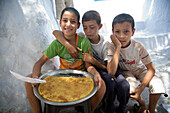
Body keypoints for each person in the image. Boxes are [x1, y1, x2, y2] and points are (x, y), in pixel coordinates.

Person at [24, 7, 106, 113]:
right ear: (60, 23)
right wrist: (35, 75)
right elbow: (39, 62)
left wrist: (95, 73)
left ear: (78, 26)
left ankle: (88, 110)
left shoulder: (83, 42)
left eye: (72, 22)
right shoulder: (56, 44)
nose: (68, 24)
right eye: (65, 20)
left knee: (102, 85)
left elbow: (88, 66)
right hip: (61, 77)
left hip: (80, 78)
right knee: (28, 79)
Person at [54, 10, 130, 113]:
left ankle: (122, 107)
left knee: (123, 84)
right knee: (110, 80)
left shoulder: (104, 44)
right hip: (95, 69)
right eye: (85, 27)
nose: (88, 31)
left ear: (100, 26)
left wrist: (92, 60)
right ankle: (107, 106)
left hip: (107, 67)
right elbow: (56, 32)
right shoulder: (82, 37)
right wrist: (68, 46)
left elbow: (109, 70)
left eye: (92, 27)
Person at [107, 13, 165, 113]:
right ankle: (141, 104)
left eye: (126, 31)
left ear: (133, 32)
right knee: (128, 88)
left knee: (157, 85)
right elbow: (111, 72)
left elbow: (151, 69)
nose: (121, 36)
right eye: (117, 31)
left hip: (140, 70)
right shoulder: (112, 47)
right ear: (112, 32)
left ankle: (150, 111)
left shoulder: (138, 46)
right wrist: (118, 47)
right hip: (126, 73)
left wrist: (141, 89)